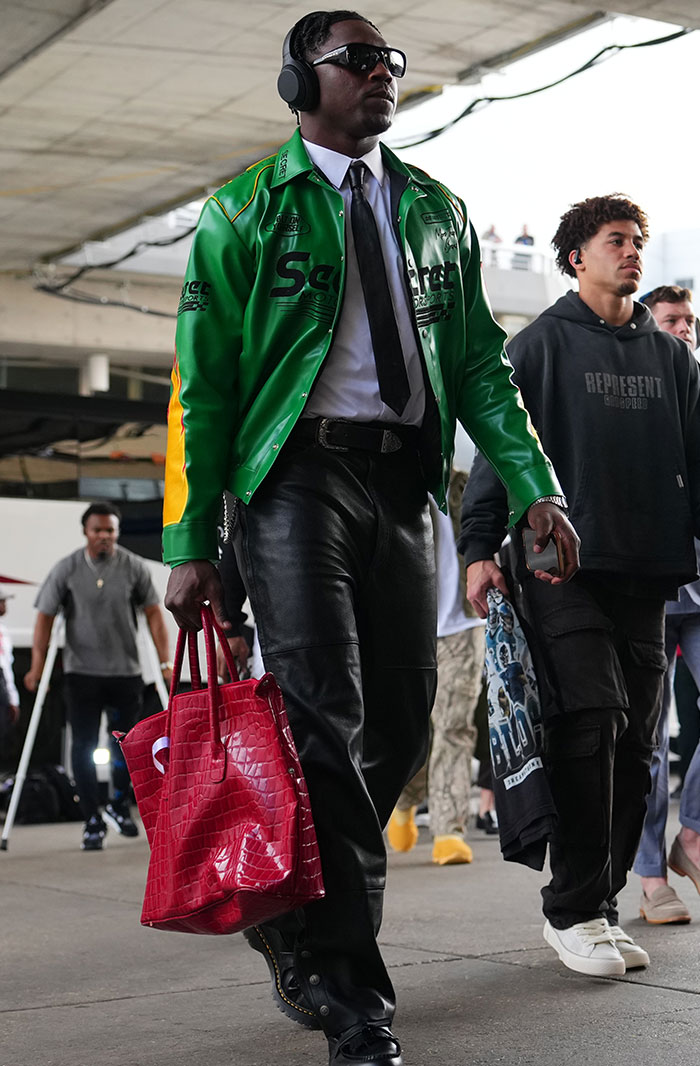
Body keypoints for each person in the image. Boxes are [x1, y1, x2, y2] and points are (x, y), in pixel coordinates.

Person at [162, 11, 578, 1066]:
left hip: (403, 488)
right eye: (356, 59)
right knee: (320, 717)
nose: (382, 74)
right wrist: (189, 536)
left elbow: (480, 362)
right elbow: (202, 383)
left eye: (390, 60)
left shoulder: (434, 209)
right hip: (289, 479)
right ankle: (352, 989)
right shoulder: (243, 209)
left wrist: (534, 485)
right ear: (297, 79)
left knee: (390, 722)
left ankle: (291, 921)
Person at [460, 194, 700, 979]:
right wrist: (478, 549)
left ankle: (599, 905)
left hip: (648, 566)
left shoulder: (671, 359)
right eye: (616, 241)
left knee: (636, 748)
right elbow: (497, 449)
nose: (632, 253)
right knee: (589, 723)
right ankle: (570, 911)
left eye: (638, 242)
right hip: (556, 565)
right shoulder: (538, 346)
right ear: (576, 257)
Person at [24, 502, 172, 851]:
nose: (105, 536)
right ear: (86, 532)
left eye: (110, 530)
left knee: (124, 746)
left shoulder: (133, 566)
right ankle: (91, 819)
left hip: (125, 674)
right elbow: (44, 617)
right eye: (98, 530)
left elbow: (154, 614)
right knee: (84, 747)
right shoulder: (68, 569)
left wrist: (165, 664)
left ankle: (119, 805)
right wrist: (36, 664)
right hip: (82, 675)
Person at [634, 285, 700, 923]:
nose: (683, 329)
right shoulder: (634, 388)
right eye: (672, 319)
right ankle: (652, 873)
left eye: (690, 321)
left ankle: (693, 833)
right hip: (647, 584)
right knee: (649, 739)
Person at [387, 469, 486, 866]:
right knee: (414, 732)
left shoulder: (467, 481)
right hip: (408, 625)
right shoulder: (391, 475)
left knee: (455, 724)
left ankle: (448, 828)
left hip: (463, 624)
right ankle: (406, 799)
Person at [0, 584, 20, 760]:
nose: (5, 605)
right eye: (2, 601)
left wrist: (12, 698)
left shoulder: (3, 631)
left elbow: (6, 666)